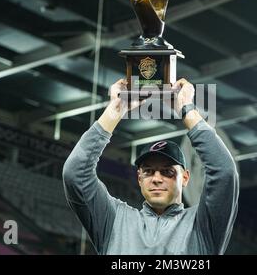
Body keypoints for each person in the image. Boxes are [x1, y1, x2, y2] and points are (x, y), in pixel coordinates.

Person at [62, 78, 239, 254]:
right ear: (139, 178)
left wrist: (186, 109)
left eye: (167, 172)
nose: (156, 178)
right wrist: (115, 110)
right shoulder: (114, 220)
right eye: (148, 171)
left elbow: (224, 172)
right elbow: (75, 174)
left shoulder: (203, 226)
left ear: (185, 177)